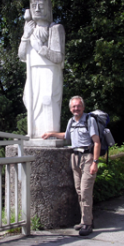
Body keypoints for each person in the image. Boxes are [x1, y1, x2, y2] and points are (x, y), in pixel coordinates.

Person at [42, 95, 101, 236]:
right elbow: (66, 136)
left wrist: (95, 162)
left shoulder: (89, 120)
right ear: (70, 109)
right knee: (79, 191)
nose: (76, 108)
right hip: (75, 157)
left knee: (86, 191)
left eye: (78, 106)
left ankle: (87, 224)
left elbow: (97, 142)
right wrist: (52, 134)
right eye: (74, 106)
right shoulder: (71, 121)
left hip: (87, 157)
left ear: (83, 107)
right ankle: (85, 219)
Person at [18, 0, 65, 138]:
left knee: (48, 99)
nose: (37, 9)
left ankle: (50, 134)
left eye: (41, 5)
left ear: (48, 8)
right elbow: (21, 55)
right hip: (33, 71)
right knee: (29, 99)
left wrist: (40, 48)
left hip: (49, 70)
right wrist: (26, 35)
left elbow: (58, 56)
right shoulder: (29, 29)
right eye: (33, 6)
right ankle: (33, 133)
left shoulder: (55, 28)